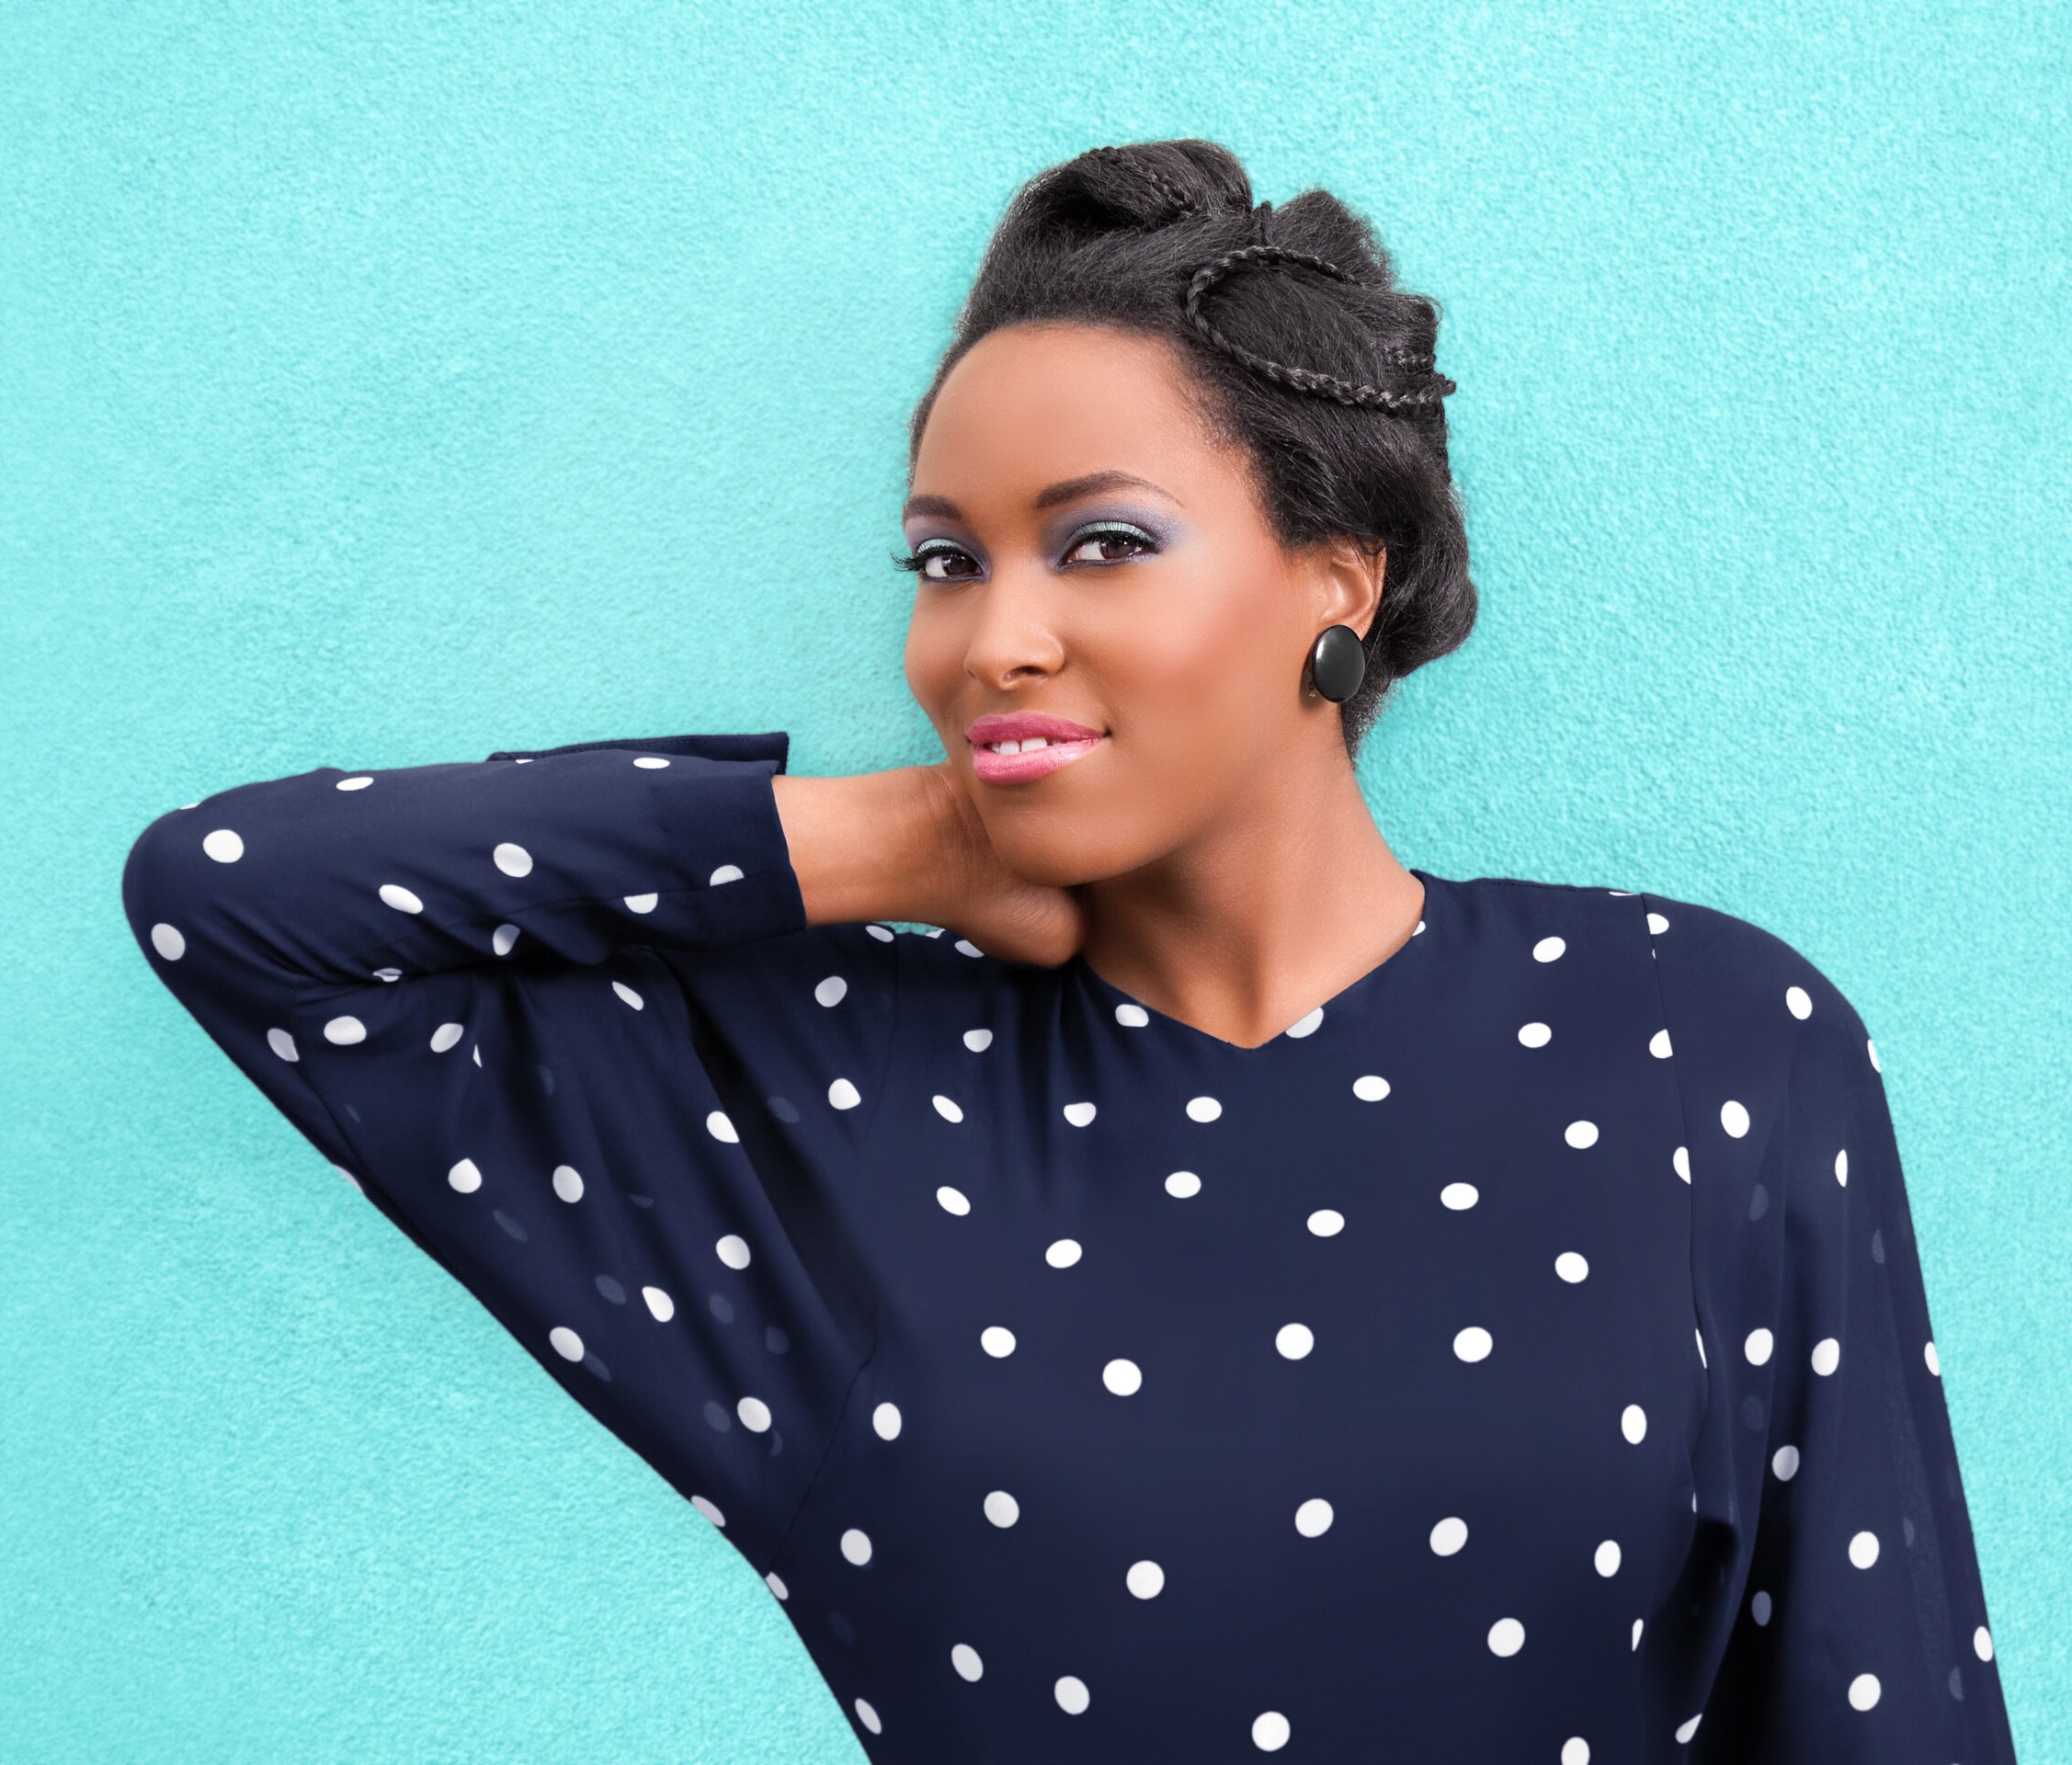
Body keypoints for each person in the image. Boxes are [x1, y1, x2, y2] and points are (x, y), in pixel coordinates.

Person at [119, 138, 2014, 1762]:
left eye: (1099, 544)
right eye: (945, 564)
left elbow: (1884, 1700)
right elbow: (231, 896)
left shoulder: (1702, 1041)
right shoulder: (821, 1100)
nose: (991, 641)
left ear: (1334, 581)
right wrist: (906, 834)